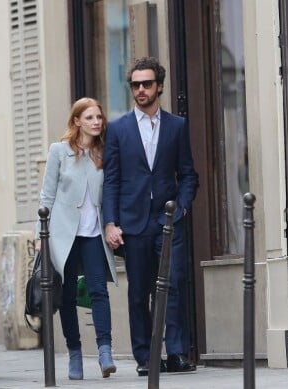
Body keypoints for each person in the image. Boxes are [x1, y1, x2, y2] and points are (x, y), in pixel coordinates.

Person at [102, 56, 198, 377]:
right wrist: (110, 223)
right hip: (133, 223)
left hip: (168, 222)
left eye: (146, 84)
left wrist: (181, 207)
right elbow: (111, 180)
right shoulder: (118, 129)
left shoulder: (177, 126)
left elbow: (187, 174)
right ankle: (145, 356)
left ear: (159, 86)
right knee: (139, 291)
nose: (140, 90)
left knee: (172, 286)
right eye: (135, 85)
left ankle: (177, 353)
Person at [36, 97, 118, 380]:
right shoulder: (59, 151)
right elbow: (46, 196)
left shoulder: (105, 153)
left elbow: (111, 193)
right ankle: (74, 353)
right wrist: (41, 235)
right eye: (90, 118)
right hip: (63, 235)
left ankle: (105, 350)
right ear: (76, 122)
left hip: (93, 234)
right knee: (67, 296)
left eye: (99, 117)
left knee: (98, 292)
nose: (97, 122)